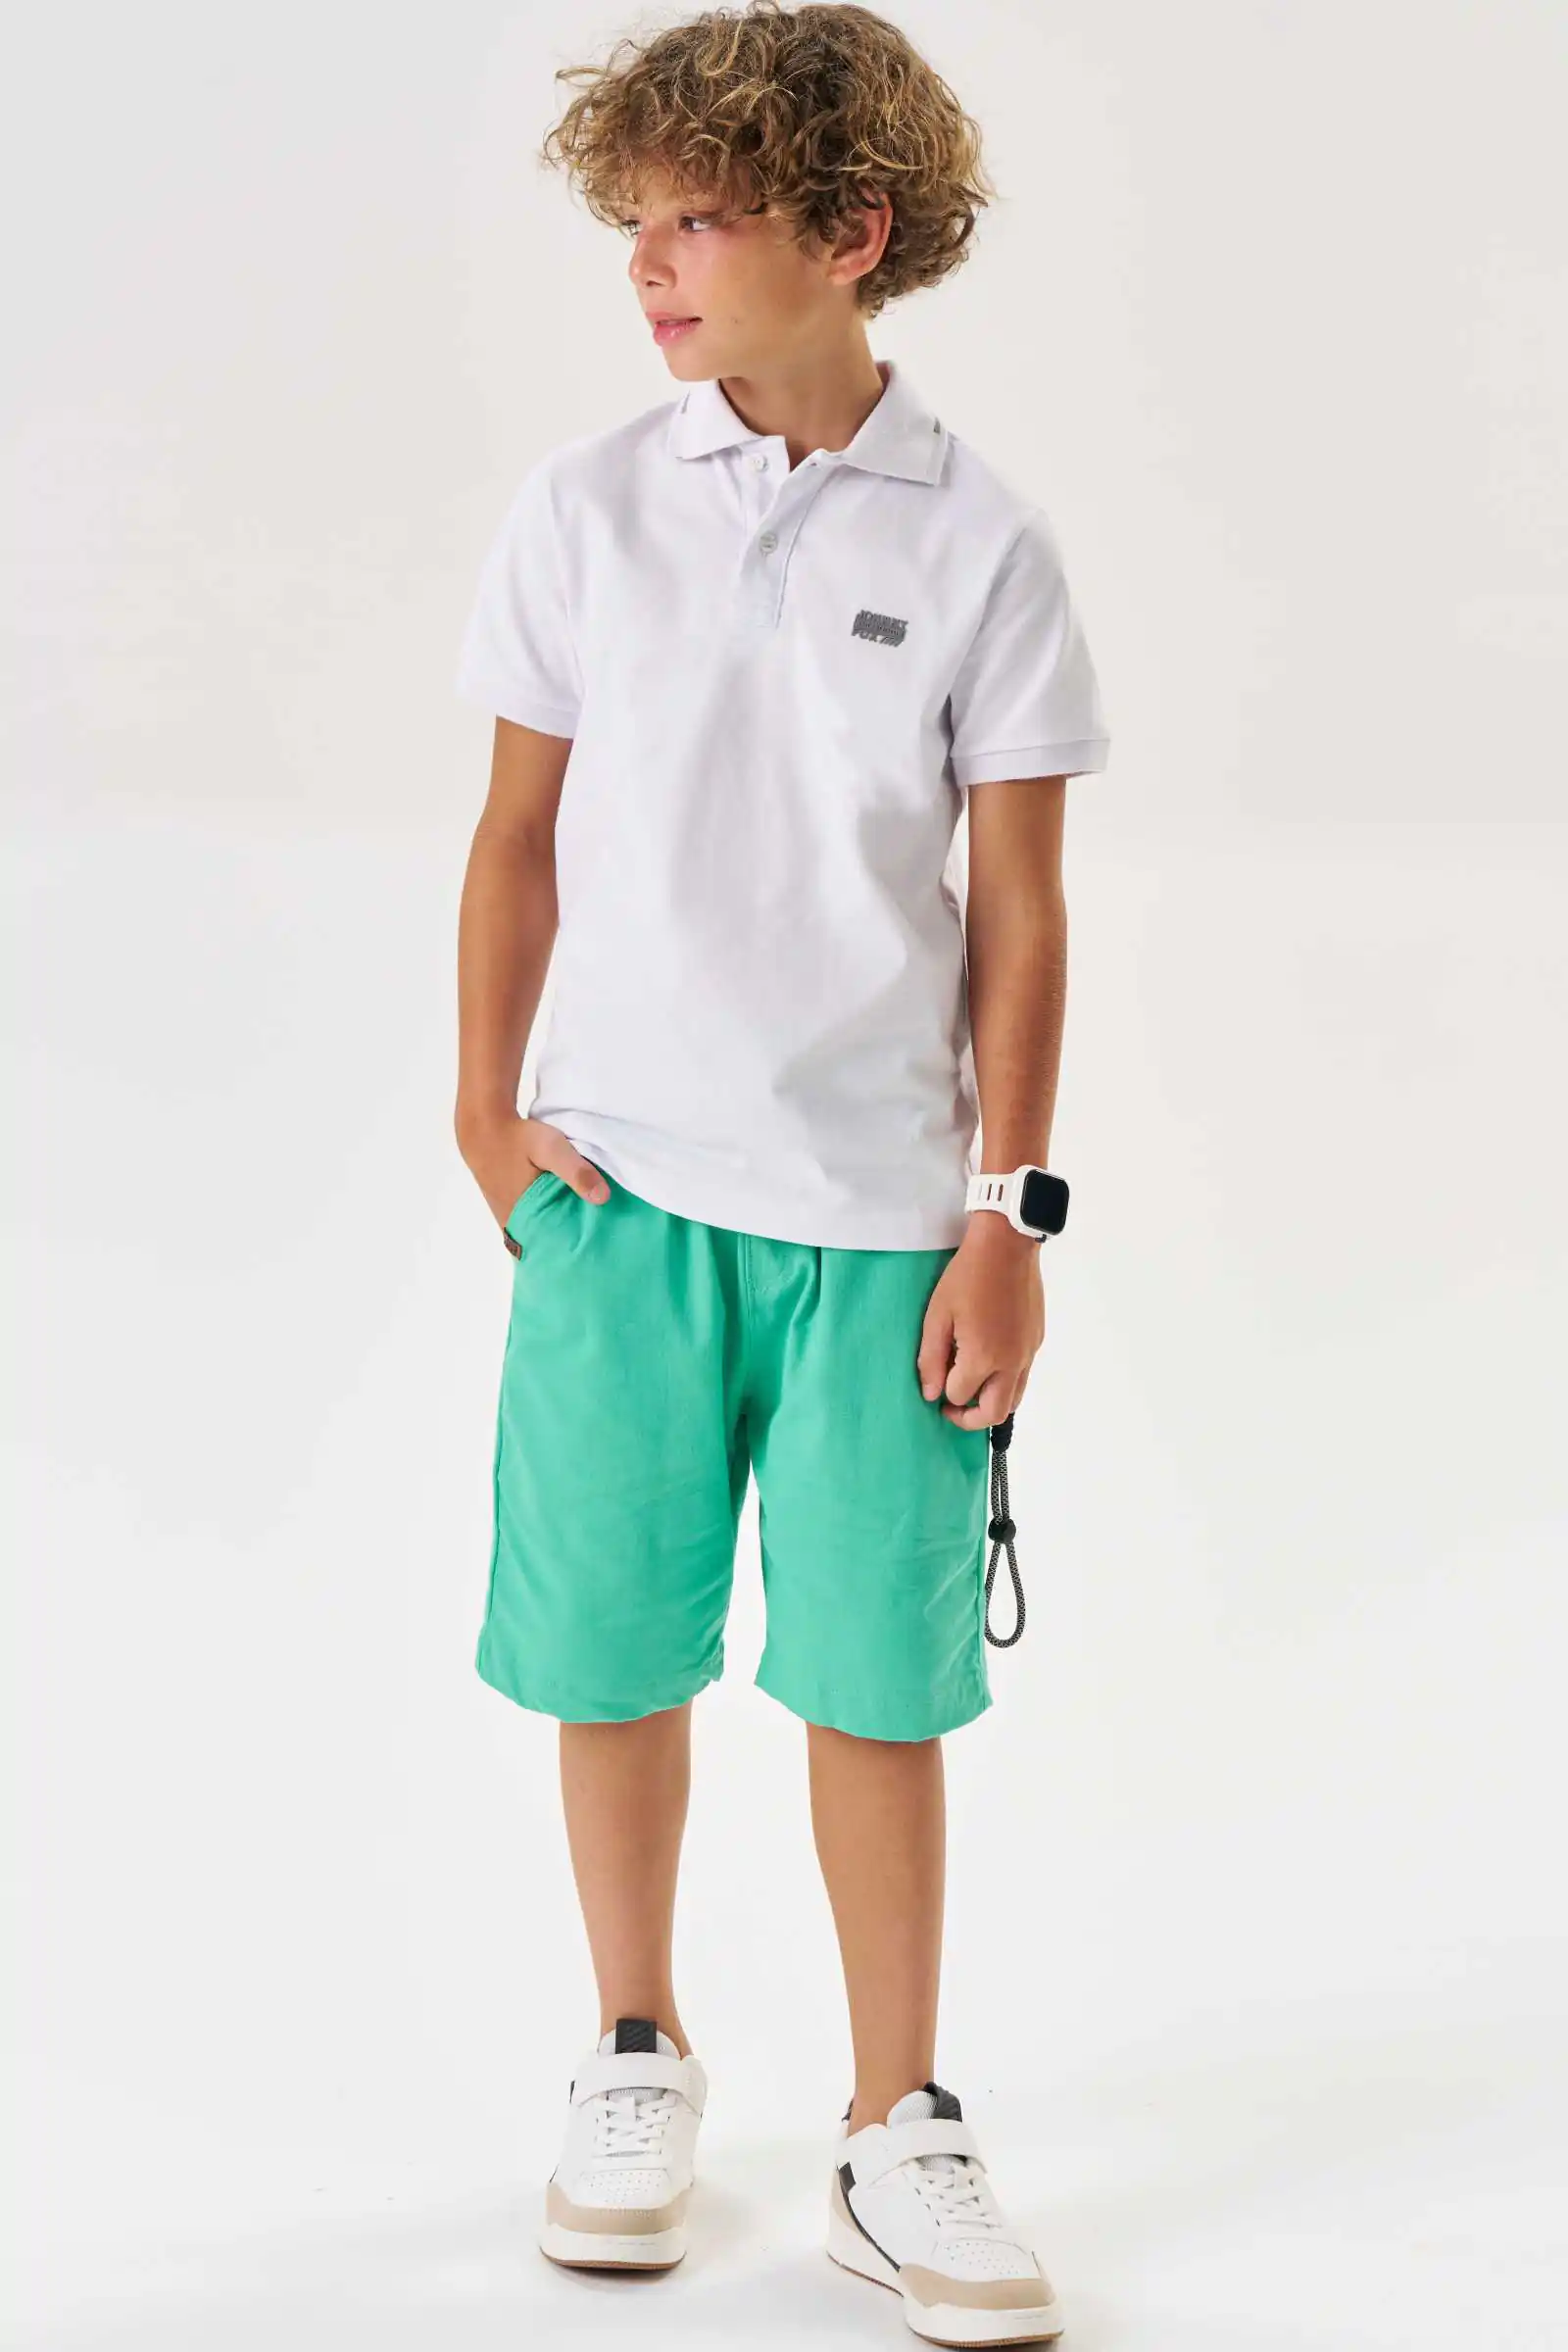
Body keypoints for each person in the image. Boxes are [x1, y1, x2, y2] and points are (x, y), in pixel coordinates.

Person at [452, 6, 1108, 2341]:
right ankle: (632, 2048)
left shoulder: (981, 541)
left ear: (848, 232)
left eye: (696, 220)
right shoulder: (584, 508)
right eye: (630, 222)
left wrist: (1004, 1218)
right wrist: (484, 1118)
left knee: (875, 1684)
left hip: (879, 1229)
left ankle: (893, 2122)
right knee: (606, 1653)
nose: (648, 263)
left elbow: (1016, 914)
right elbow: (514, 837)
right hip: (618, 1203)